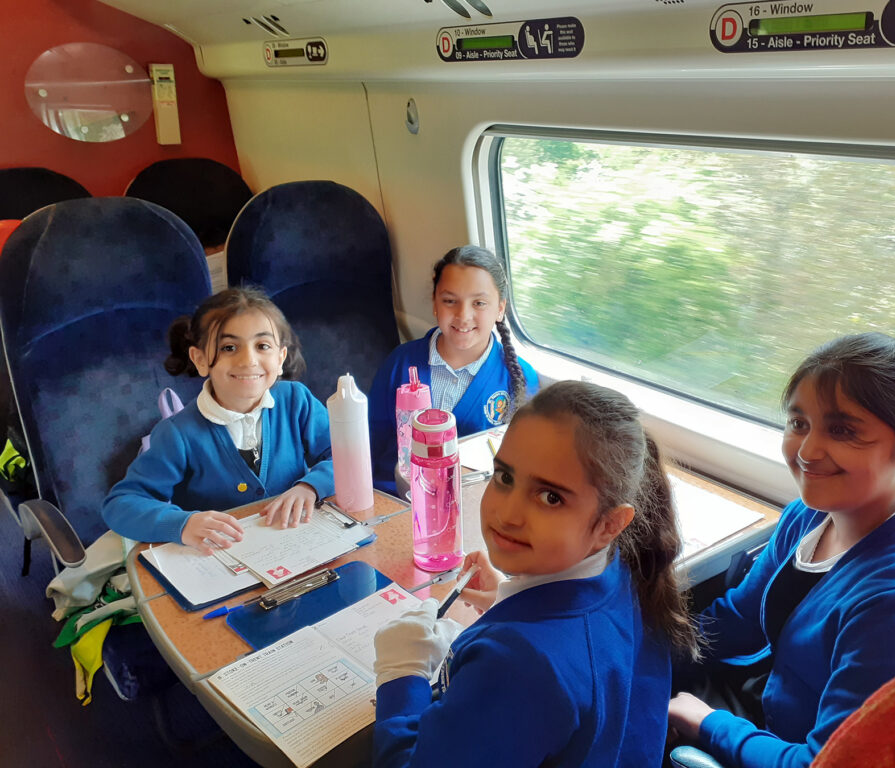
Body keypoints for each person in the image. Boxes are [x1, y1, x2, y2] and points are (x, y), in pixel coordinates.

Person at [667, 332, 895, 768]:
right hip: (780, 708)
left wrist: (708, 724)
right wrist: (644, 649)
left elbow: (825, 762)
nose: (807, 450)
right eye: (799, 423)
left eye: (842, 430)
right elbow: (741, 617)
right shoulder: (811, 514)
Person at [371, 380, 700, 767]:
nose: (507, 513)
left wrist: (402, 675)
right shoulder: (628, 568)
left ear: (610, 524)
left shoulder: (515, 664)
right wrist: (517, 597)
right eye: (505, 477)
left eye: (550, 497)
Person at [102, 287, 333, 555]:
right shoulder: (178, 434)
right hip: (220, 561)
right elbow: (121, 504)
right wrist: (182, 524)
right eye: (229, 347)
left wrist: (312, 485)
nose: (248, 360)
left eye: (262, 346)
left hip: (299, 546)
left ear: (280, 358)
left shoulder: (296, 401)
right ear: (200, 360)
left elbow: (346, 456)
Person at [368, 245, 539, 494]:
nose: (463, 315)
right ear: (435, 304)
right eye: (450, 301)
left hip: (473, 503)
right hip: (396, 497)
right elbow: (372, 443)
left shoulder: (519, 378)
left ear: (500, 308)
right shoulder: (400, 363)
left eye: (479, 303)